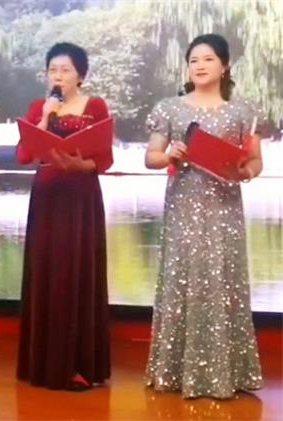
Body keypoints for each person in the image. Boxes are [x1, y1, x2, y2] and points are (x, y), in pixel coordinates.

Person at [144, 33, 265, 399]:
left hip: (225, 207)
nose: (199, 65)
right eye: (193, 60)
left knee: (223, 280)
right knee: (182, 278)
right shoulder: (170, 108)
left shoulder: (242, 112)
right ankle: (174, 372)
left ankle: (229, 373)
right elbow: (151, 158)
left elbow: (255, 162)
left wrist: (245, 171)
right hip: (183, 206)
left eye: (208, 59)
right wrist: (170, 155)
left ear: (224, 66)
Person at [16, 42, 112, 391]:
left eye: (65, 70)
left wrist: (78, 164)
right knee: (48, 272)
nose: (58, 76)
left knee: (77, 272)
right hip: (47, 198)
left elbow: (105, 158)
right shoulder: (38, 107)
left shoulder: (95, 106)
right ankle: (43, 363)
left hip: (81, 199)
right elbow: (24, 154)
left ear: (80, 75)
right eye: (52, 70)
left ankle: (79, 363)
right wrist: (45, 118)